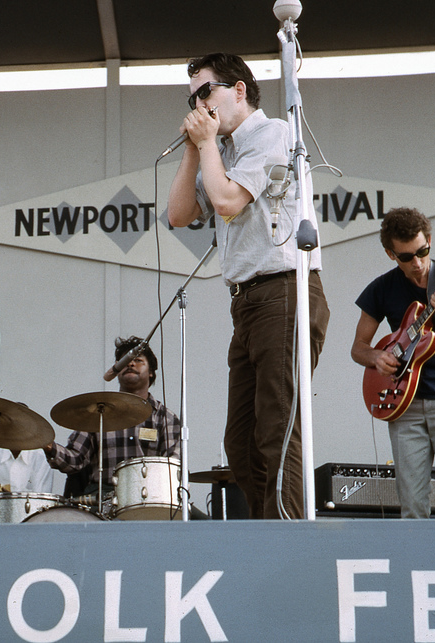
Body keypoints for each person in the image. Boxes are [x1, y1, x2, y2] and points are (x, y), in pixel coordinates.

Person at [166, 53, 330, 519]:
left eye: (205, 92)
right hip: (247, 302)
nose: (199, 104)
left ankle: (289, 539)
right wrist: (194, 147)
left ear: (238, 90)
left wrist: (208, 144)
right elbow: (179, 215)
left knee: (277, 427)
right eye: (192, 97)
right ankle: (267, 533)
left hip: (283, 290)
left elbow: (226, 202)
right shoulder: (221, 151)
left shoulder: (272, 133)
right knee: (240, 441)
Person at [350, 207, 435, 519]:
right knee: (412, 507)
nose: (417, 263)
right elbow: (358, 348)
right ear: (390, 254)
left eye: (423, 251)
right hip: (404, 405)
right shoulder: (382, 288)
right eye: (406, 257)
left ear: (429, 240)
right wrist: (376, 356)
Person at [43, 337, 180, 501]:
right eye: (124, 361)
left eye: (138, 360)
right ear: (116, 370)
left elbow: (172, 467)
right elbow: (75, 460)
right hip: (102, 498)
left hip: (149, 498)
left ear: (151, 371)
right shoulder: (98, 410)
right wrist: (48, 446)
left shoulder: (166, 418)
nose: (130, 364)